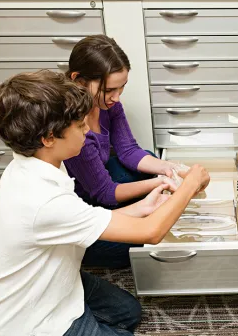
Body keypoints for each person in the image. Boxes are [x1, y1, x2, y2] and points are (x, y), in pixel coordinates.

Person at [0, 70, 210, 336]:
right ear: (49, 138)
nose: (88, 129)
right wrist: (190, 184)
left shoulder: (38, 162)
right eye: (79, 125)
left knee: (128, 312)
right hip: (30, 324)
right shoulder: (43, 200)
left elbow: (88, 216)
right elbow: (151, 233)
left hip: (58, 284)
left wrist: (143, 207)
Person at [63, 35, 179, 268]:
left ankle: (144, 205)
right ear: (78, 80)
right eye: (109, 90)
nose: (117, 97)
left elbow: (128, 150)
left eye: (122, 87)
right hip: (83, 213)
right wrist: (160, 182)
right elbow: (105, 193)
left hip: (98, 185)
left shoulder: (109, 105)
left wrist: (171, 169)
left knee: (150, 157)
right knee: (139, 243)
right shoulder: (73, 131)